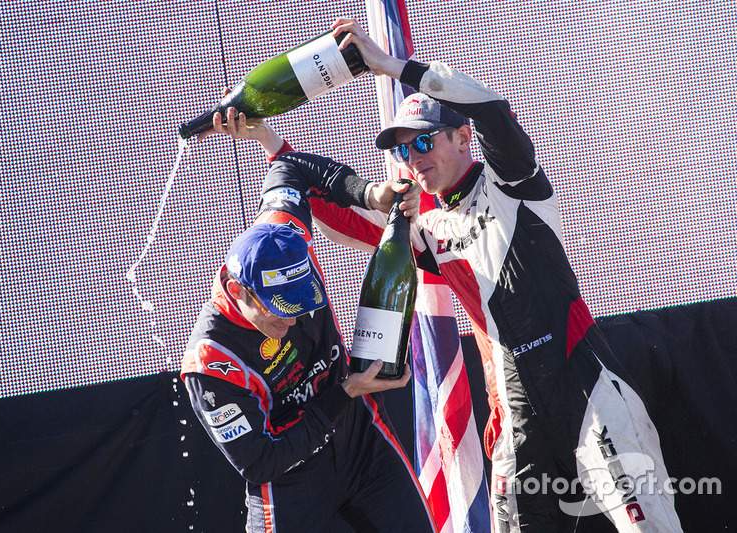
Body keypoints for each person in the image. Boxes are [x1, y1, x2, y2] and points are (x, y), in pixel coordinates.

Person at [290, 18, 682, 533]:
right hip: (513, 406)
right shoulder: (428, 226)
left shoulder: (511, 180)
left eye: (423, 143)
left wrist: (390, 66)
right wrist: (272, 145)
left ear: (460, 136)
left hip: (583, 385)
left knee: (647, 527)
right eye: (403, 151)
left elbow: (493, 110)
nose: (413, 160)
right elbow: (347, 221)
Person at [180, 113, 437, 532]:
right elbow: (261, 462)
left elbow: (292, 167)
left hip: (359, 439)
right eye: (282, 307)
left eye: (304, 301)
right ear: (238, 290)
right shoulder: (210, 362)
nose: (296, 317)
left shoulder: (284, 231)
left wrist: (371, 195)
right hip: (289, 479)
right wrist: (345, 391)